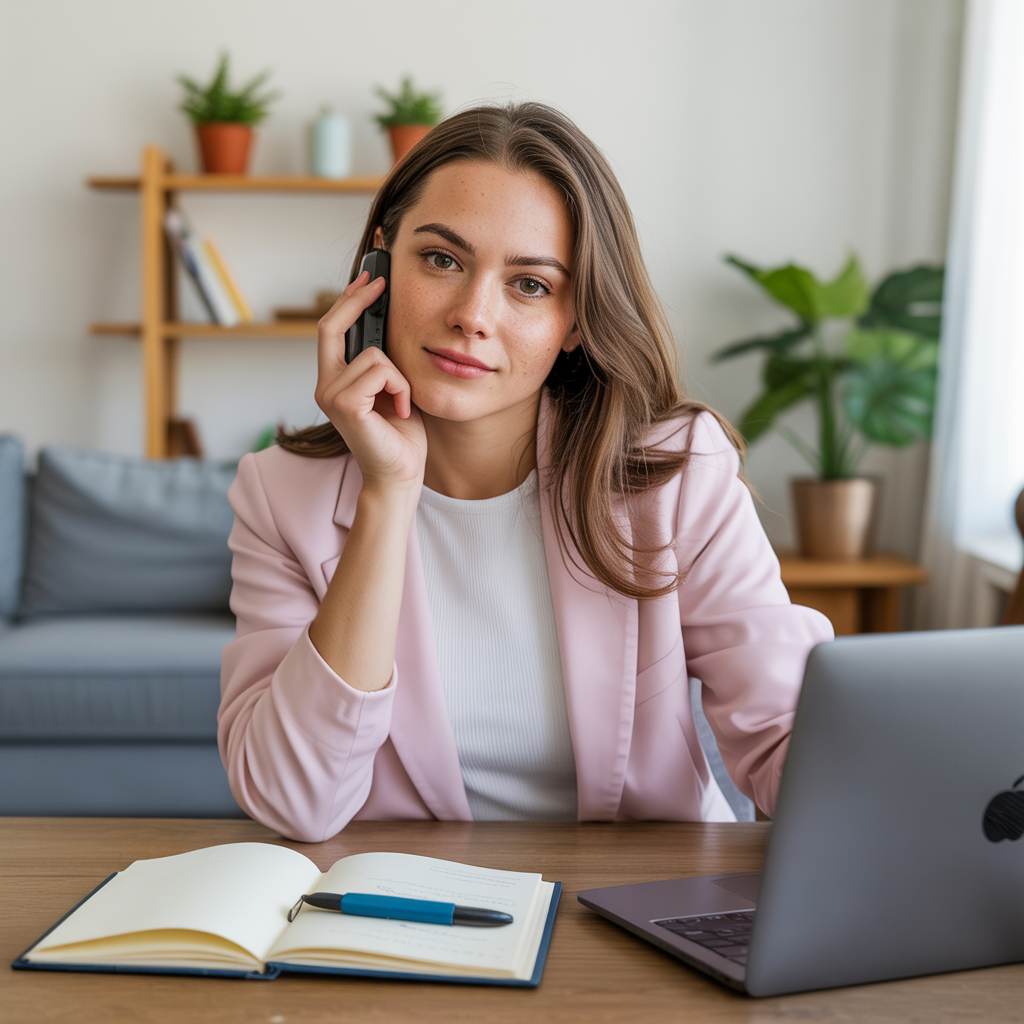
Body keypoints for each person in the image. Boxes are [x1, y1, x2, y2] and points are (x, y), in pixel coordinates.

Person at [218, 102, 833, 843]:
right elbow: (293, 801)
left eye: (530, 285)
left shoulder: (676, 478)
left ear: (574, 321)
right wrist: (386, 495)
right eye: (441, 260)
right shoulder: (279, 493)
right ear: (377, 267)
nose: (472, 315)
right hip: (413, 920)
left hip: (634, 909)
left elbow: (785, 740)